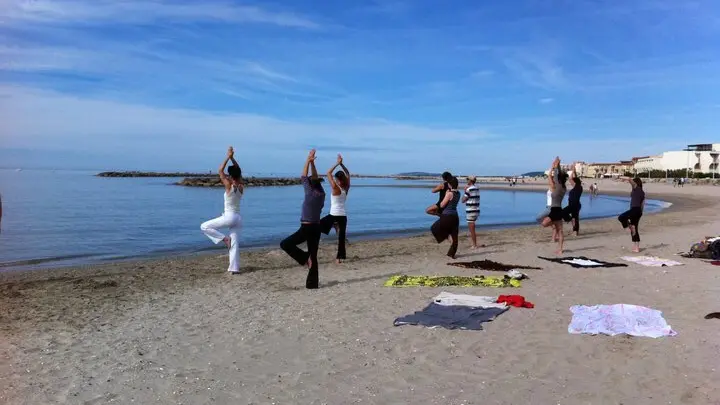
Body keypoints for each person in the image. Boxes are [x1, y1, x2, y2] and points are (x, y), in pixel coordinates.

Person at [280, 149, 326, 289]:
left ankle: (304, 258)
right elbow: (313, 177)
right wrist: (312, 162)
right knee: (314, 255)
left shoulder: (310, 192)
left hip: (306, 228)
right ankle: (312, 284)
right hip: (316, 227)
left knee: (285, 244)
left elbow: (303, 175)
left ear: (310, 184)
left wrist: (308, 160)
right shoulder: (321, 194)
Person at [200, 146, 244, 274]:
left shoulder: (229, 185)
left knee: (204, 226)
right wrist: (233, 158)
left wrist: (228, 157)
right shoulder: (241, 185)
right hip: (238, 219)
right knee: (235, 244)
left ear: (230, 175)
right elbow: (239, 170)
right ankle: (234, 269)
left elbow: (220, 170)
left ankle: (224, 239)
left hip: (229, 217)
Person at [320, 154, 351, 264]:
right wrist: (342, 164)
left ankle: (334, 225)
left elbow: (328, 173)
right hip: (343, 216)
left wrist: (337, 163)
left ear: (337, 179)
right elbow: (348, 173)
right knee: (341, 238)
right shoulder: (346, 187)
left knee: (316, 226)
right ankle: (339, 259)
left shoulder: (335, 187)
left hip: (333, 215)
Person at [541, 157, 567, 254]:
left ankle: (560, 249)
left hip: (555, 210)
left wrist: (555, 166)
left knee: (544, 224)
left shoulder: (559, 186)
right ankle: (560, 250)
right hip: (558, 209)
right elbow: (551, 177)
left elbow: (555, 174)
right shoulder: (563, 187)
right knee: (560, 231)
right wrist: (555, 166)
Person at [431, 176, 461, 259]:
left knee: (434, 228)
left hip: (447, 216)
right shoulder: (458, 193)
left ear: (450, 184)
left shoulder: (449, 193)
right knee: (455, 236)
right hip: (455, 216)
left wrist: (446, 194)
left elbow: (442, 205)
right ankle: (451, 254)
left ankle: (446, 236)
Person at [618, 177, 645, 253]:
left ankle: (628, 226)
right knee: (635, 228)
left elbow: (630, 179)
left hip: (635, 209)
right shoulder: (642, 192)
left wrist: (621, 177)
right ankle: (636, 248)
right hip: (638, 211)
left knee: (621, 217)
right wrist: (641, 213)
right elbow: (643, 203)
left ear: (636, 183)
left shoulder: (636, 188)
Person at [563, 165, 583, 236]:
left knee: (563, 212)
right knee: (575, 217)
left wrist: (572, 171)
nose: (571, 183)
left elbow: (570, 178)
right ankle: (575, 232)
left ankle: (570, 220)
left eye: (573, 182)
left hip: (574, 205)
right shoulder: (578, 187)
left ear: (575, 183)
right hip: (574, 205)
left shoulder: (578, 187)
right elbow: (574, 178)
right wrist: (574, 170)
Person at [462, 176, 480, 249]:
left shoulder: (469, 189)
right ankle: (474, 244)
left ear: (470, 180)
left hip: (471, 210)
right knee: (472, 228)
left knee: (471, 229)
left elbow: (463, 200)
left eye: (467, 180)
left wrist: (465, 191)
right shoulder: (477, 188)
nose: (467, 181)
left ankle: (474, 245)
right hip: (476, 209)